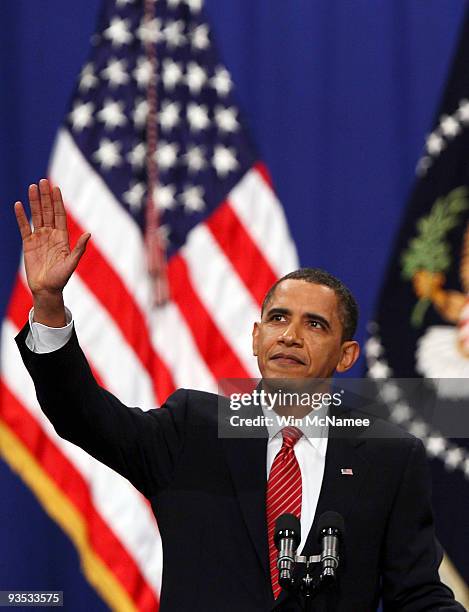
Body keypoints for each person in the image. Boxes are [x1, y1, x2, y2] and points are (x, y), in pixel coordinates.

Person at [14, 179, 465, 611]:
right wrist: (49, 303)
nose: (289, 336)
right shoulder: (191, 430)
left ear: (346, 356)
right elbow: (81, 414)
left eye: (314, 325)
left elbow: (417, 596)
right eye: (278, 318)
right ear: (255, 338)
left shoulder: (389, 459)